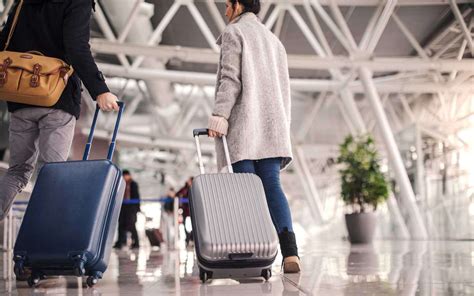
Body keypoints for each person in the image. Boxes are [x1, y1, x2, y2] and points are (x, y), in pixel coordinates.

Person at [0, 0, 119, 220]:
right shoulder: (77, 3)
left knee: (17, 171)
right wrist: (100, 90)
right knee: (53, 170)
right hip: (57, 97)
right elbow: (76, 47)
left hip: (20, 96)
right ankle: (45, 236)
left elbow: (4, 42)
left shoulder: (23, 2)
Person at [207, 0, 300, 273]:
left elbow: (230, 79)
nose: (225, 11)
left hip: (245, 126)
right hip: (272, 127)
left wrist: (220, 115)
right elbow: (285, 91)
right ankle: (290, 253)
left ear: (238, 5)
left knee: (246, 190)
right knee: (271, 185)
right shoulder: (274, 42)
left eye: (227, 4)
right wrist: (282, 127)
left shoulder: (234, 33)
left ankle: (251, 252)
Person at [114, 170, 141, 249]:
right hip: (122, 207)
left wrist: (137, 208)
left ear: (129, 175)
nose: (125, 177)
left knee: (132, 225)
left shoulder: (133, 184)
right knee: (121, 224)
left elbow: (137, 196)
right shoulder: (120, 184)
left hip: (131, 208)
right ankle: (120, 242)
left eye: (126, 175)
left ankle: (136, 243)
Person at [176, 177, 193, 247]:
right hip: (186, 210)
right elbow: (177, 194)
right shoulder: (185, 189)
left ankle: (192, 238)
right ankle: (188, 239)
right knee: (185, 225)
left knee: (193, 226)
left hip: (192, 210)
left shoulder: (194, 188)